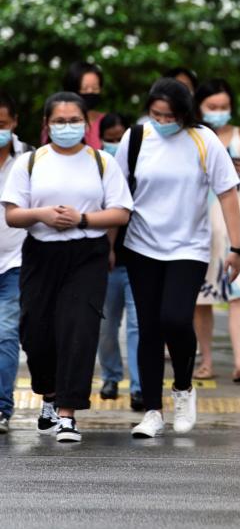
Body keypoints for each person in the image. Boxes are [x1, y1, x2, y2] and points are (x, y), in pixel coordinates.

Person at [114, 78, 240, 438]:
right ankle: (152, 411)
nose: (161, 120)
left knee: (175, 318)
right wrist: (109, 246)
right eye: (156, 113)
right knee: (148, 327)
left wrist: (237, 248)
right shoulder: (136, 138)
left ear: (185, 114)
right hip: (141, 245)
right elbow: (118, 193)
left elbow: (228, 193)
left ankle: (184, 388)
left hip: (188, 247)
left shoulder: (204, 141)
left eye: (169, 115)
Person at [2, 92, 132, 442]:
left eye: (74, 120)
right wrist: (42, 215)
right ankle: (49, 394)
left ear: (86, 125)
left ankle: (68, 414)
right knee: (36, 331)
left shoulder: (102, 162)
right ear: (46, 125)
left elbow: (121, 212)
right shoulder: (30, 162)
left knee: (79, 327)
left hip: (86, 254)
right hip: (40, 255)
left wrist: (83, 219)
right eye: (59, 121)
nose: (67, 126)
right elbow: (13, 214)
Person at [192, 79, 240, 383]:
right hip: (200, 221)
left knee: (239, 292)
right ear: (199, 107)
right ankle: (205, 361)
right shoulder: (193, 137)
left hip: (237, 222)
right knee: (200, 296)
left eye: (224, 107)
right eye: (212, 107)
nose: (219, 112)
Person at [95, 113, 143, 411]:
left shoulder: (141, 168)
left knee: (138, 325)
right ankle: (111, 376)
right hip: (109, 261)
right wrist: (108, 248)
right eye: (108, 139)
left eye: (118, 138)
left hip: (139, 258)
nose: (114, 144)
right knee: (106, 325)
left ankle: (139, 386)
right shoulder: (99, 169)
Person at [0, 92, 30, 433]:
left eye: (1, 125)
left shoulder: (30, 160)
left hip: (16, 259)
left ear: (14, 123)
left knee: (6, 332)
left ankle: (1, 407)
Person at [46, 61, 104, 148]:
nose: (90, 92)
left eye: (95, 88)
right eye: (84, 88)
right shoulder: (55, 122)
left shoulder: (107, 122)